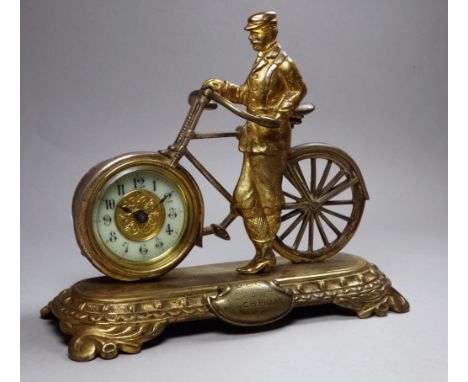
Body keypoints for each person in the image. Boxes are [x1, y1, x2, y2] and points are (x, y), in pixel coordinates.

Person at [203, 11, 307, 274]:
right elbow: (246, 95)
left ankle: (265, 254)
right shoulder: (261, 61)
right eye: (250, 32)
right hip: (253, 136)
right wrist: (222, 86)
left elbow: (298, 89)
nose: (251, 36)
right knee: (244, 197)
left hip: (270, 138)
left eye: (256, 31)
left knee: (267, 196)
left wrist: (280, 112)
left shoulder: (282, 63)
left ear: (271, 30)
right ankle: (264, 252)